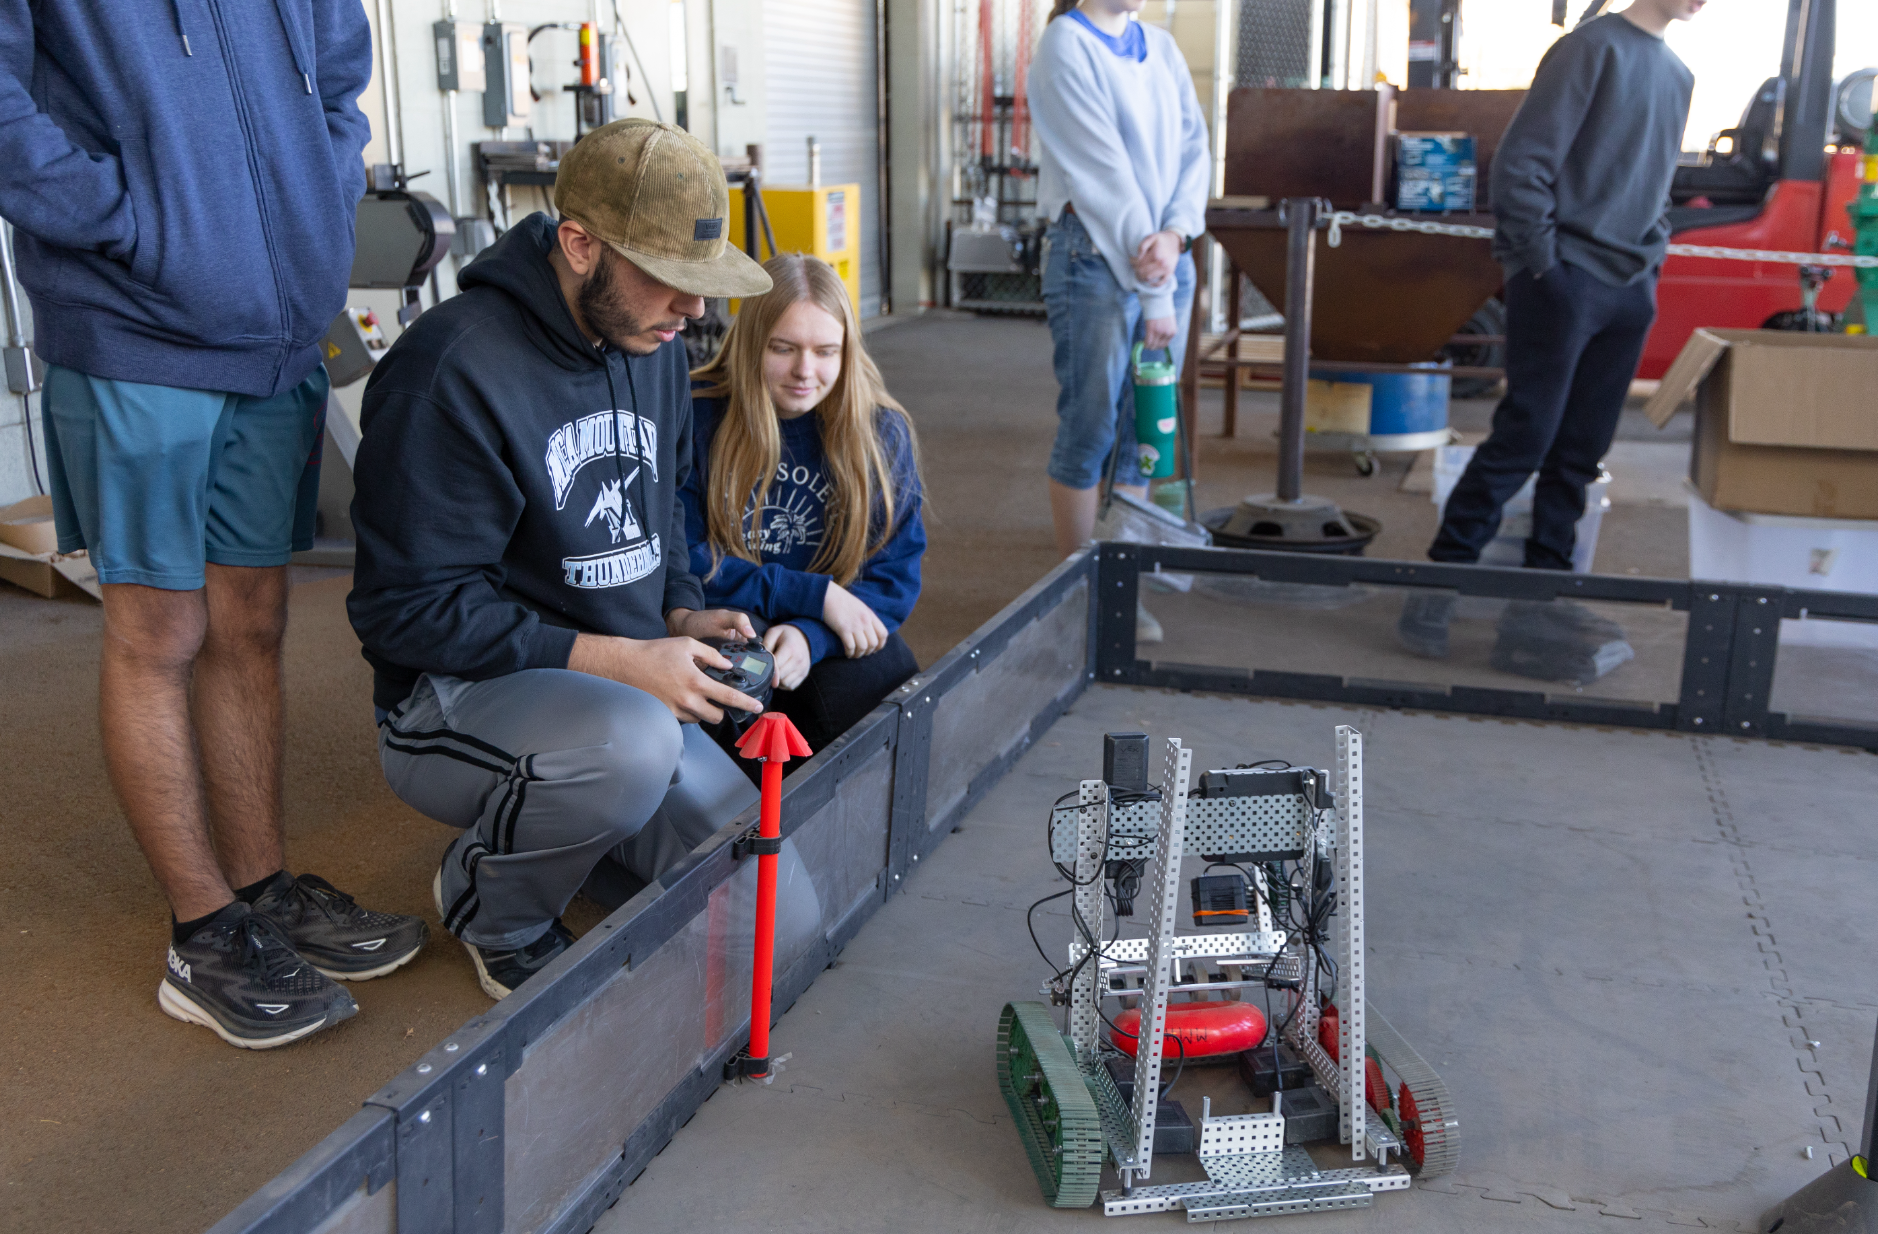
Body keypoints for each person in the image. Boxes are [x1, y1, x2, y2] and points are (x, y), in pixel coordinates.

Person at [0, 1, 428, 1049]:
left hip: (275, 329)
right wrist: (126, 216)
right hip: (132, 325)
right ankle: (201, 933)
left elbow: (335, 78)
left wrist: (317, 206)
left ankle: (260, 887)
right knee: (160, 632)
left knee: (252, 619)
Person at [349, 119, 823, 1002]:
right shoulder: (449, 371)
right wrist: (625, 660)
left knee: (782, 931)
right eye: (672, 284)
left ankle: (580, 834)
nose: (693, 311)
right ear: (578, 245)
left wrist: (679, 613)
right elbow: (405, 614)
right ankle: (492, 904)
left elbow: (667, 513)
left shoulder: (650, 343)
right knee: (631, 745)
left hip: (619, 690)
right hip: (450, 699)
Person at [1399, 0, 1700, 682]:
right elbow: (1520, 164)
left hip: (1629, 288)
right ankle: (1433, 596)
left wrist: (1650, 262)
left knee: (1581, 454)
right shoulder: (1592, 48)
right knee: (1525, 438)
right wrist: (1545, 267)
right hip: (1565, 278)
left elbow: (1655, 186)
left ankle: (1540, 608)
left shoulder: (1677, 73)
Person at [683, 253, 925, 756]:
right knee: (735, 702)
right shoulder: (697, 415)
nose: (804, 371)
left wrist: (810, 633)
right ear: (752, 343)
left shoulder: (882, 433)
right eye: (783, 348)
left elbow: (893, 580)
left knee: (890, 685)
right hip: (727, 625)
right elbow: (684, 561)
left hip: (818, 632)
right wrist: (816, 595)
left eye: (825, 351)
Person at [1026, 0, 1209, 640]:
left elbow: (1195, 145)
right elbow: (1102, 175)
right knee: (1092, 424)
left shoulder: (1159, 47)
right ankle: (1082, 593)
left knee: (1141, 430)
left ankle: (1119, 588)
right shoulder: (1064, 46)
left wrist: (1179, 233)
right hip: (1094, 257)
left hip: (1165, 250)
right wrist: (1156, 284)